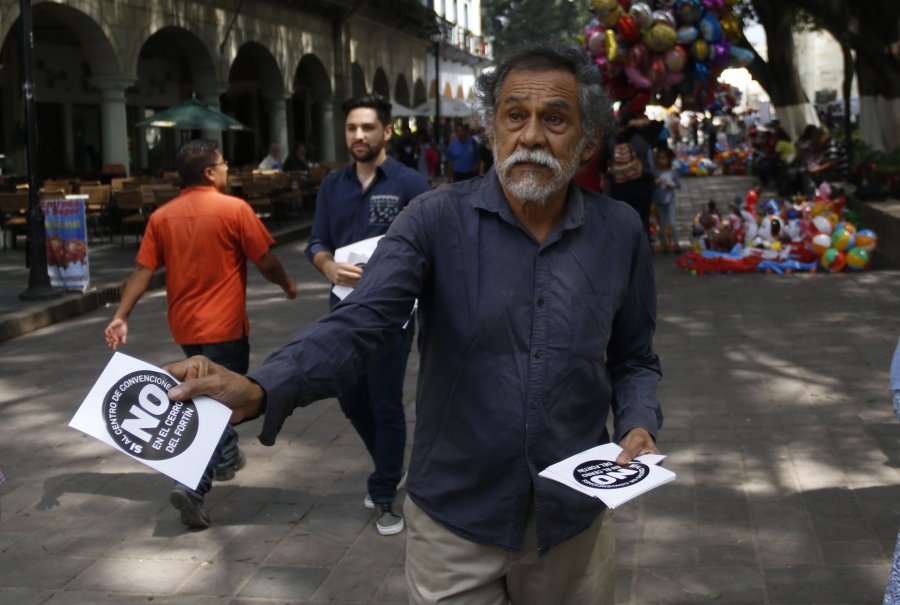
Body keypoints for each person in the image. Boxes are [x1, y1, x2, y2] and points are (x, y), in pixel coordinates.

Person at [164, 43, 662, 604]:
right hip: (455, 521)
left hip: (572, 524)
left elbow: (634, 357)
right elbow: (361, 324)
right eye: (515, 116)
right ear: (490, 129)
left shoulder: (619, 232)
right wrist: (261, 387)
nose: (531, 136)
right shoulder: (433, 219)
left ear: (589, 140)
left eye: (555, 119)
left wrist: (638, 421)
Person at [103, 138, 298, 529]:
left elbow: (142, 271)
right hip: (225, 326)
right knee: (215, 407)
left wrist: (121, 315)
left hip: (185, 327)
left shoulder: (162, 216)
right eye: (224, 163)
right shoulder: (235, 209)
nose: (228, 169)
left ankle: (227, 457)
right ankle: (192, 486)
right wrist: (287, 284)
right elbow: (265, 261)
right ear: (210, 172)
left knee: (206, 399)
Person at [305, 94, 431, 535]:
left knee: (385, 401)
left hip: (391, 313)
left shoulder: (411, 184)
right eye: (352, 128)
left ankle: (383, 495)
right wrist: (326, 264)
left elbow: (428, 245)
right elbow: (316, 240)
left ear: (386, 132)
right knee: (349, 398)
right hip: (342, 309)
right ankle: (389, 465)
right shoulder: (332, 186)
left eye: (368, 128)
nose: (359, 136)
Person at [602, 112, 658, 243]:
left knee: (623, 219)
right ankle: (643, 247)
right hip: (643, 183)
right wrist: (641, 123)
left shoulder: (611, 138)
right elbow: (659, 124)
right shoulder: (644, 136)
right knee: (643, 217)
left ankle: (626, 249)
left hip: (619, 185)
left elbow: (603, 161)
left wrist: (603, 178)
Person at [652, 148, 681, 253]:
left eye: (663, 158)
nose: (661, 161)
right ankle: (665, 244)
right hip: (659, 202)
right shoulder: (656, 173)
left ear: (668, 160)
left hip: (670, 202)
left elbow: (678, 185)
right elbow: (652, 187)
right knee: (662, 225)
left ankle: (676, 243)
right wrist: (655, 183)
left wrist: (671, 184)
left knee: (672, 223)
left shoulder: (672, 173)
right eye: (659, 158)